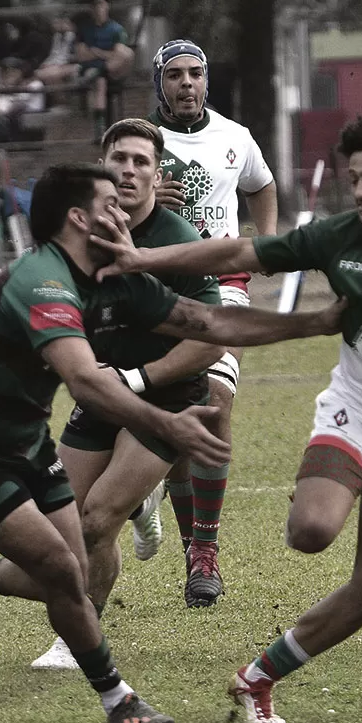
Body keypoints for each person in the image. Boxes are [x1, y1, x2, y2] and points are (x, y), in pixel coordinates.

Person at [93, 110, 362, 723]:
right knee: (310, 531)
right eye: (355, 177)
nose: (360, 190)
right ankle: (350, 478)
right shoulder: (339, 235)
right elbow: (242, 250)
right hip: (358, 412)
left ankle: (259, 677)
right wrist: (142, 261)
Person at [0, 162, 342, 723]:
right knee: (64, 570)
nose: (124, 211)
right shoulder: (43, 279)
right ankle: (119, 701)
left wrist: (319, 322)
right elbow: (86, 383)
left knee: (69, 574)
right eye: (111, 202)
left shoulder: (113, 275)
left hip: (24, 438)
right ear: (78, 218)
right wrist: (167, 427)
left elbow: (207, 321)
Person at [30, 119, 225, 671]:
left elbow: (211, 339)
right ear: (103, 168)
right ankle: (140, 497)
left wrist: (139, 378)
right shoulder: (78, 239)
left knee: (95, 520)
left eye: (142, 161)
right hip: (101, 391)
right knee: (59, 519)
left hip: (166, 398)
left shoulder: (182, 243)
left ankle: (79, 638)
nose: (130, 170)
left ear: (157, 173)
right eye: (120, 159)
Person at [143, 39, 279, 609]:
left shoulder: (234, 137)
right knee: (178, 419)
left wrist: (264, 242)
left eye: (195, 74)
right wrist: (143, 195)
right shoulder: (140, 144)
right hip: (157, 285)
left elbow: (262, 185)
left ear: (206, 80)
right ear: (160, 85)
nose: (186, 84)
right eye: (174, 75)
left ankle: (206, 553)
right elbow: (103, 204)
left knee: (215, 402)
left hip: (224, 281)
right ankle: (187, 546)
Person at [76, 0, 135, 140]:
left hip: (114, 70)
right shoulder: (85, 29)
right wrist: (107, 55)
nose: (99, 12)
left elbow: (120, 54)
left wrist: (98, 52)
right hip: (92, 69)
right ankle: (99, 129)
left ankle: (102, 70)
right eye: (96, 10)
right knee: (99, 83)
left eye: (102, 9)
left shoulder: (116, 29)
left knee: (126, 53)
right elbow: (81, 55)